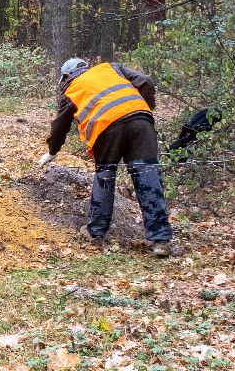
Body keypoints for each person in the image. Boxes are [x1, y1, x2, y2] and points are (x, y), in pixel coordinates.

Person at [37, 57, 175, 254]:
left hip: (106, 128)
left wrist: (52, 152)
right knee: (148, 176)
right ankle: (161, 240)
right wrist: (144, 108)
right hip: (141, 122)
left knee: (105, 176)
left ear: (67, 76)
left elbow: (60, 126)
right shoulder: (110, 68)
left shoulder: (72, 90)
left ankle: (96, 233)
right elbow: (145, 81)